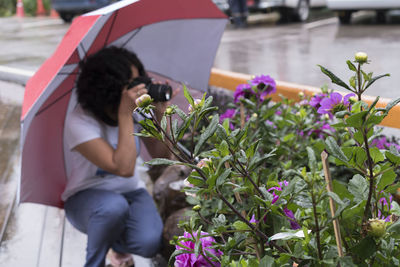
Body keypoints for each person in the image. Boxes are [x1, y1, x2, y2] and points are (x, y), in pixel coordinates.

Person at [62, 46, 170, 267]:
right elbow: (123, 167)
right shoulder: (79, 121)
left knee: (149, 243)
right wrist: (124, 113)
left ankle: (114, 243)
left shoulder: (137, 111)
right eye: (131, 84)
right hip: (88, 199)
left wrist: (160, 114)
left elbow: (162, 154)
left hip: (131, 193)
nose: (137, 88)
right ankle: (94, 262)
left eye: (139, 80)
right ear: (109, 87)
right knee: (113, 208)